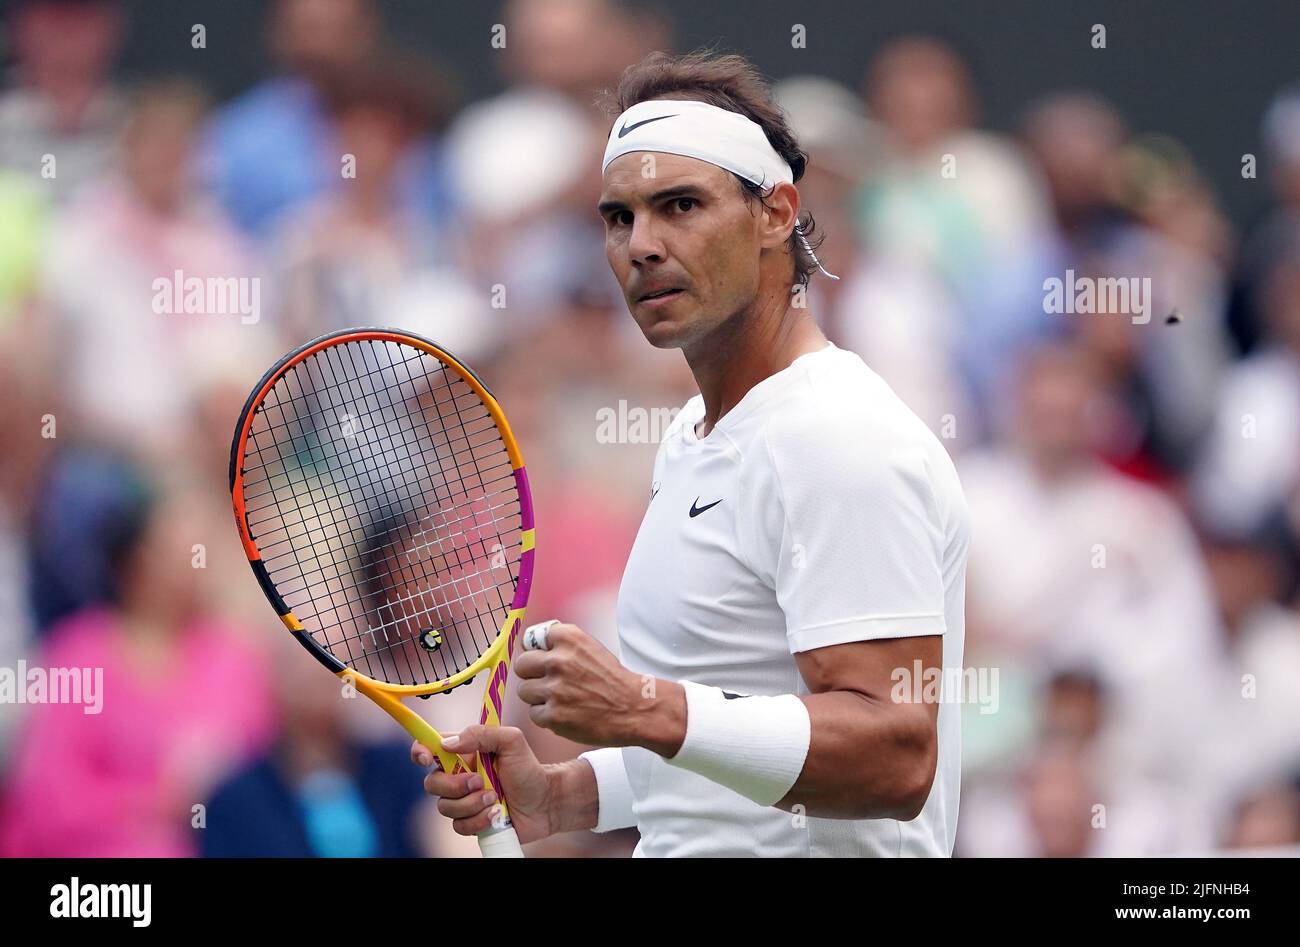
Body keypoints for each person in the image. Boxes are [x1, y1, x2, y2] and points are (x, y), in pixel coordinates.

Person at [415, 50, 970, 858]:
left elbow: (895, 754)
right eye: (619, 217)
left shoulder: (838, 437)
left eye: (681, 205)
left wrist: (642, 705)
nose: (642, 244)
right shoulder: (690, 440)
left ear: (776, 213)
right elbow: (730, 728)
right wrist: (567, 793)